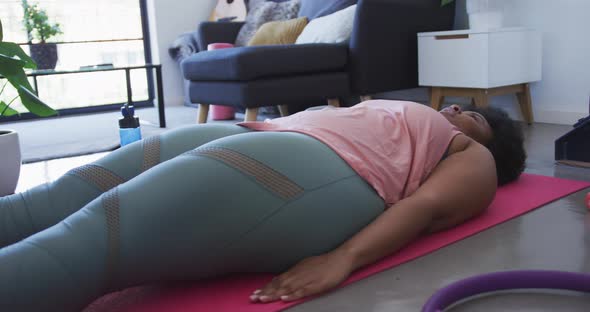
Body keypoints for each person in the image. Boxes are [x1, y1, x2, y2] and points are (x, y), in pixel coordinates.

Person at [0, 100, 525, 311]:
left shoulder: (472, 156)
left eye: (474, 116)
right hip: (255, 133)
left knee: (86, 241)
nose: (458, 109)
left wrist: (343, 257)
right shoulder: (399, 107)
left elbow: (426, 207)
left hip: (319, 169)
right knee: (42, 204)